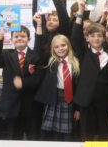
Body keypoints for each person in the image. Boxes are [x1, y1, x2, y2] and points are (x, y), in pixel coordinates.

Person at [72, 0, 108, 141]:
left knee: (106, 136)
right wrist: (81, 12)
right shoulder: (83, 54)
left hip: (105, 105)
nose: (96, 38)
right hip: (85, 103)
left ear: (104, 38)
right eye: (92, 36)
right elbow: (75, 36)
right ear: (87, 38)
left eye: (99, 35)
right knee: (86, 137)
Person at [0, 25, 42, 140]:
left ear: (29, 39)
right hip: (11, 107)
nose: (19, 38)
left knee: (33, 138)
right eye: (16, 36)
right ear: (11, 40)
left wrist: (23, 82)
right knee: (13, 138)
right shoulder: (6, 54)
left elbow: (38, 78)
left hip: (30, 107)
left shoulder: (35, 56)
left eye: (23, 36)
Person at [34, 12, 80, 140]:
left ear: (69, 46)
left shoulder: (75, 62)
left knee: (67, 134)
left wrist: (78, 108)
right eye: (57, 47)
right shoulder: (50, 61)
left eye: (63, 45)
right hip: (53, 99)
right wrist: (39, 24)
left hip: (69, 101)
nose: (60, 49)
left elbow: (79, 87)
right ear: (53, 49)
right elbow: (38, 48)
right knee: (50, 134)